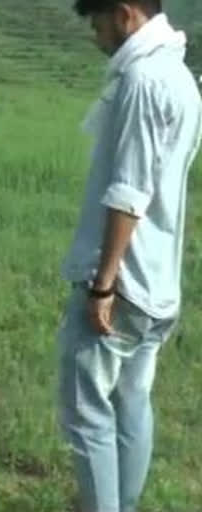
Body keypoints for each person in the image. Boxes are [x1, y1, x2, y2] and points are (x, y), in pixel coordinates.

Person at [59, 2, 202, 511]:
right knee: (131, 401)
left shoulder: (142, 78)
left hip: (123, 285)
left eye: (97, 22)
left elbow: (130, 192)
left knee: (88, 413)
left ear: (124, 14)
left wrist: (103, 283)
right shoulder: (180, 75)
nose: (95, 34)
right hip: (157, 283)